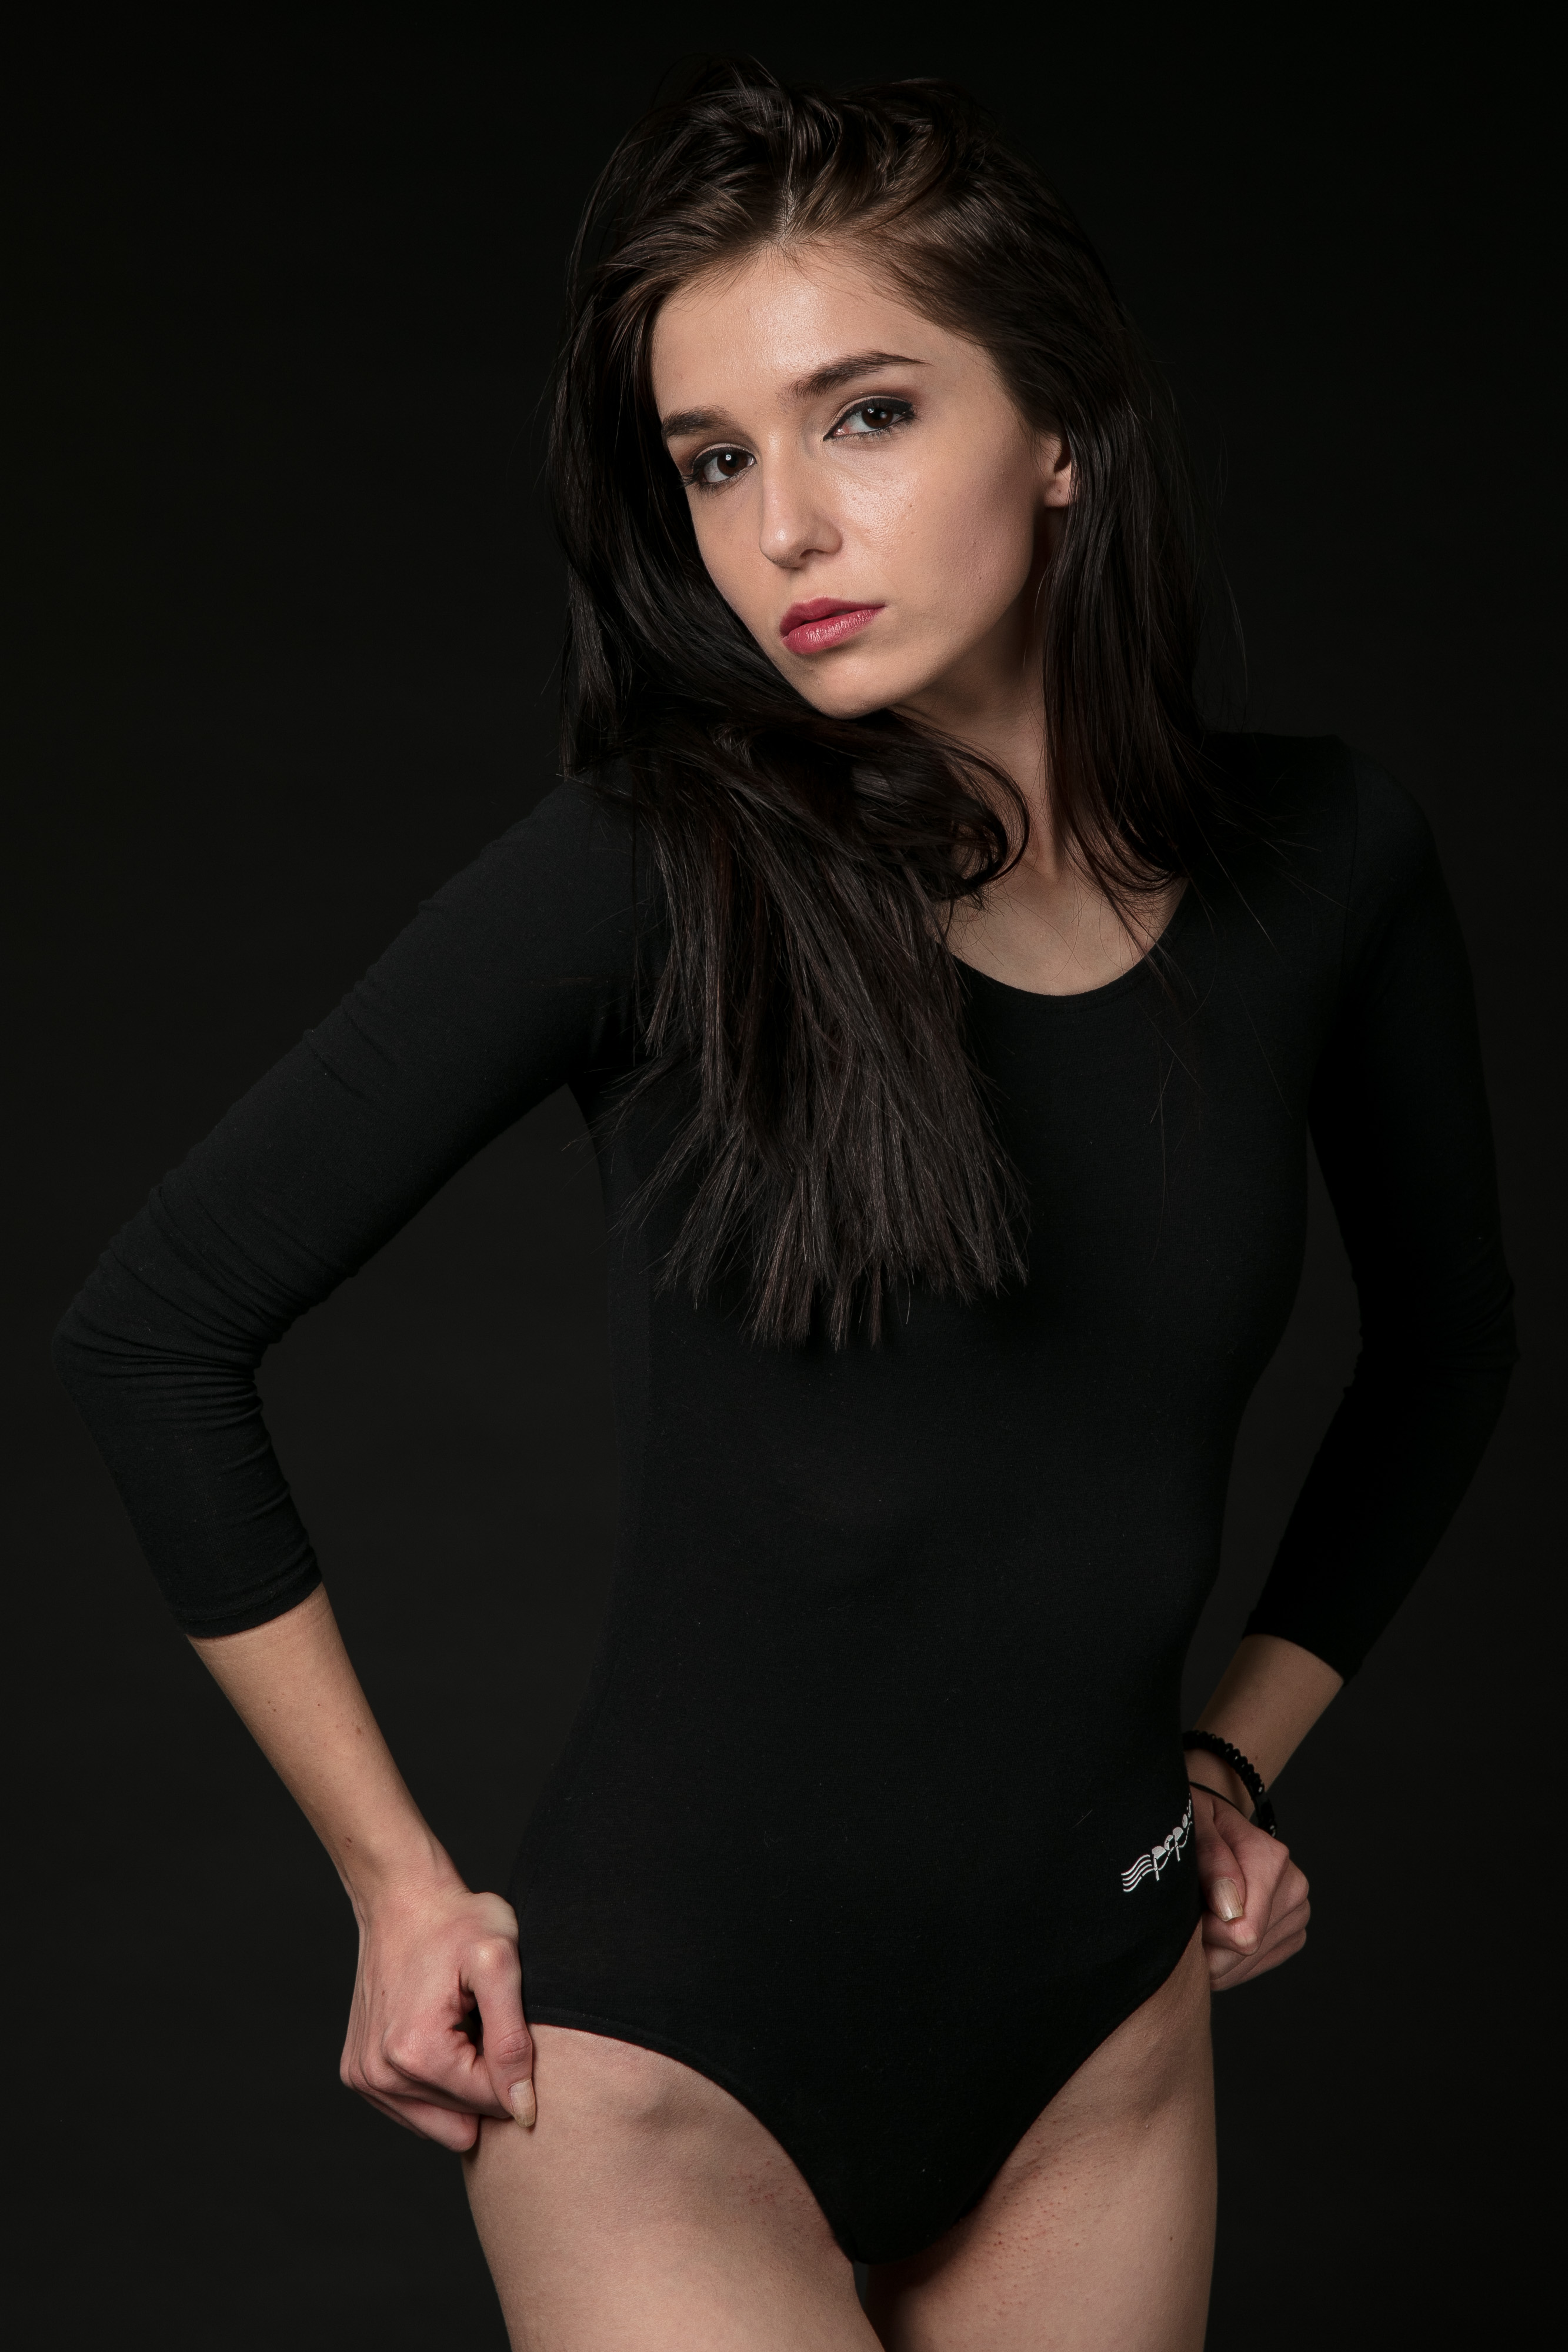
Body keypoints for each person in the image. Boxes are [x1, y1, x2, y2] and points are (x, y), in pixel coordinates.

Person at [54, 61, 1515, 2352]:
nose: (786, 531)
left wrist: (1229, 1755)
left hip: (1099, 2032)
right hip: (667, 2065)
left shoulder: (1327, 863)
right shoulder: (646, 874)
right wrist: (394, 1884)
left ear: (1061, 426)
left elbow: (1449, 1348)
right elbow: (155, 1328)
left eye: (866, 417)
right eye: (716, 461)